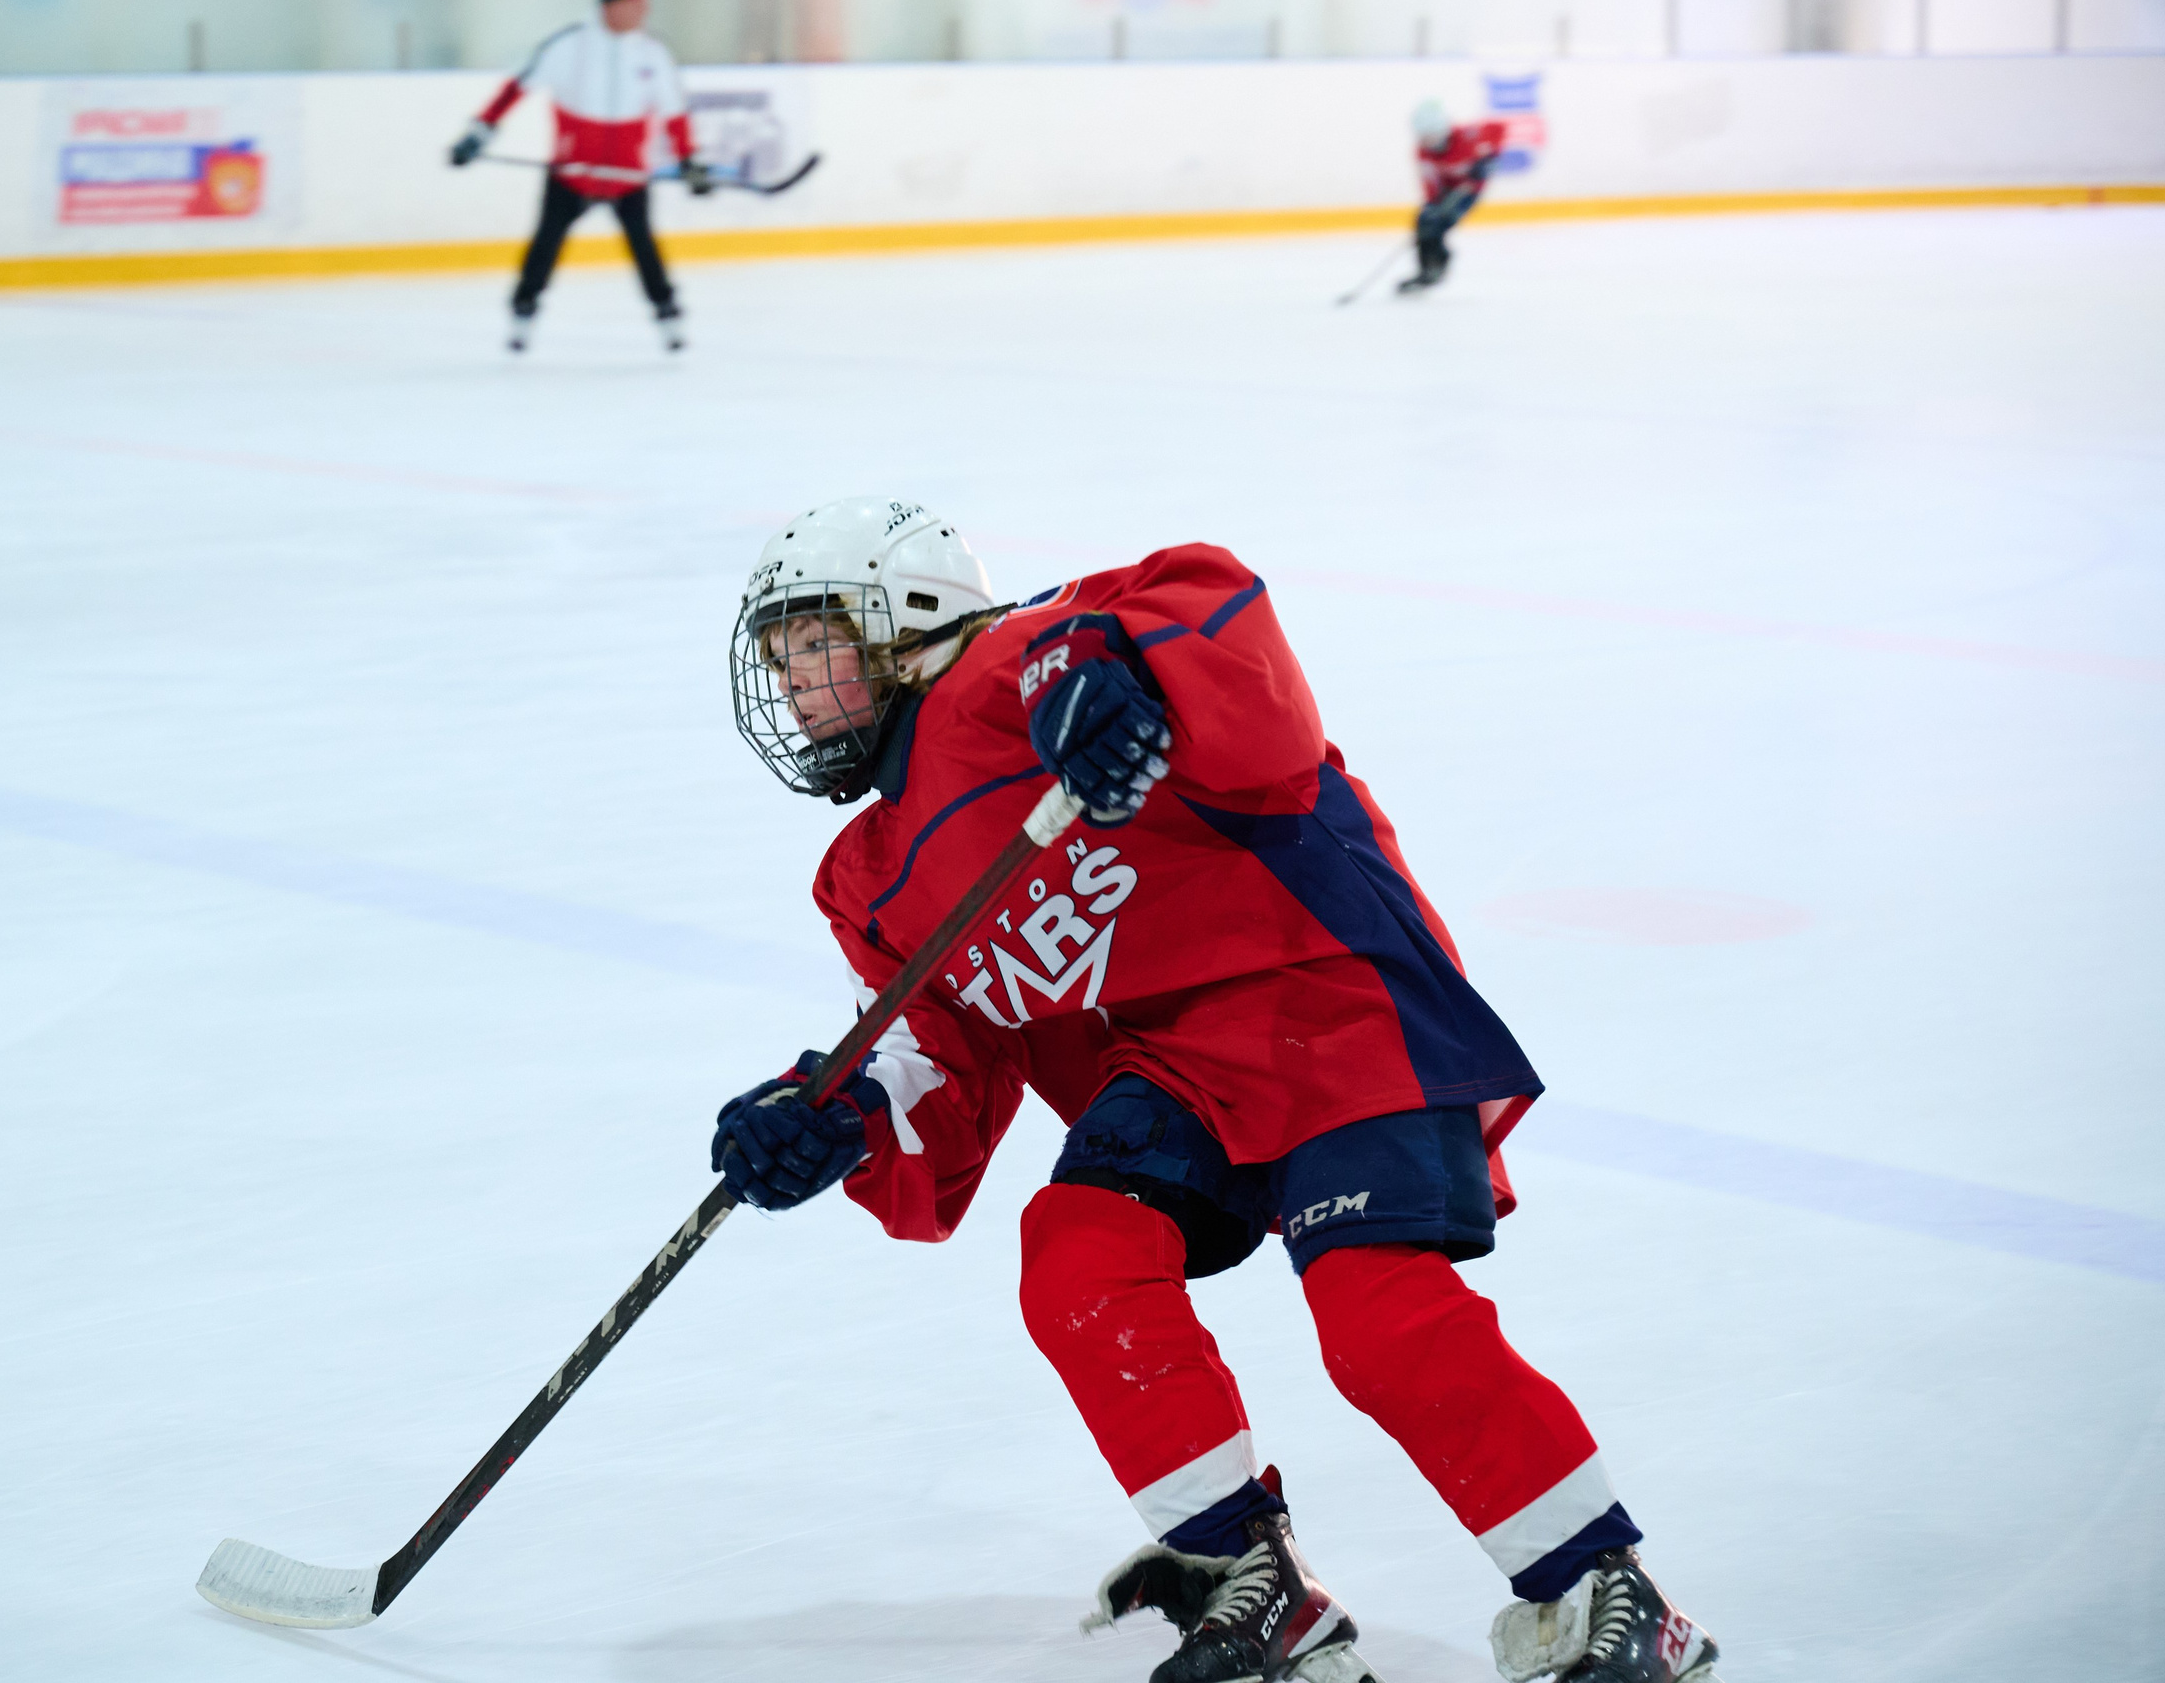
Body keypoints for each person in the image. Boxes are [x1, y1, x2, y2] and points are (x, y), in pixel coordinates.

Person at [713, 497, 1723, 1683]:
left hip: (1320, 996)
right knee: (1077, 1254)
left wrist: (1096, 673)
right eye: (779, 661)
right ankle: (1253, 1581)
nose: (792, 685)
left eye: (811, 643)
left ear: (903, 625)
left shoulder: (1022, 659)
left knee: (1375, 1312)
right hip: (1173, 1067)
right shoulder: (870, 872)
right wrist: (830, 1105)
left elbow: (1203, 600)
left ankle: (1609, 1590)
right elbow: (936, 1029)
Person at [449, 0, 710, 353]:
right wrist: (477, 135)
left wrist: (689, 162)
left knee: (645, 249)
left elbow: (675, 114)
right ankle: (523, 313)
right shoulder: (569, 46)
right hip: (572, 175)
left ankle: (667, 315)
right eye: (637, 3)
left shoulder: (653, 54)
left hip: (628, 178)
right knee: (544, 247)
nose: (644, 12)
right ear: (612, 6)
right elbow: (516, 90)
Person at [1400, 98, 1507, 295]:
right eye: (1423, 137)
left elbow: (1500, 128)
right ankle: (1426, 270)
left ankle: (1440, 262)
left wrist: (1489, 159)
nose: (1427, 141)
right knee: (1423, 222)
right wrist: (1433, 202)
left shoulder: (1468, 136)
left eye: (1431, 135)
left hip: (1468, 190)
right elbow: (1429, 180)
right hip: (1446, 191)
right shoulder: (1423, 152)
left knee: (1441, 223)